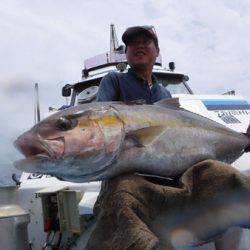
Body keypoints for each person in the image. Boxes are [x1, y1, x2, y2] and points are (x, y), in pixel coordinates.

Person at [96, 25, 171, 104]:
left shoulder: (166, 94)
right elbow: (99, 113)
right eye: (132, 42)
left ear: (157, 51)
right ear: (126, 52)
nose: (139, 45)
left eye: (146, 41)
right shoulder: (114, 80)